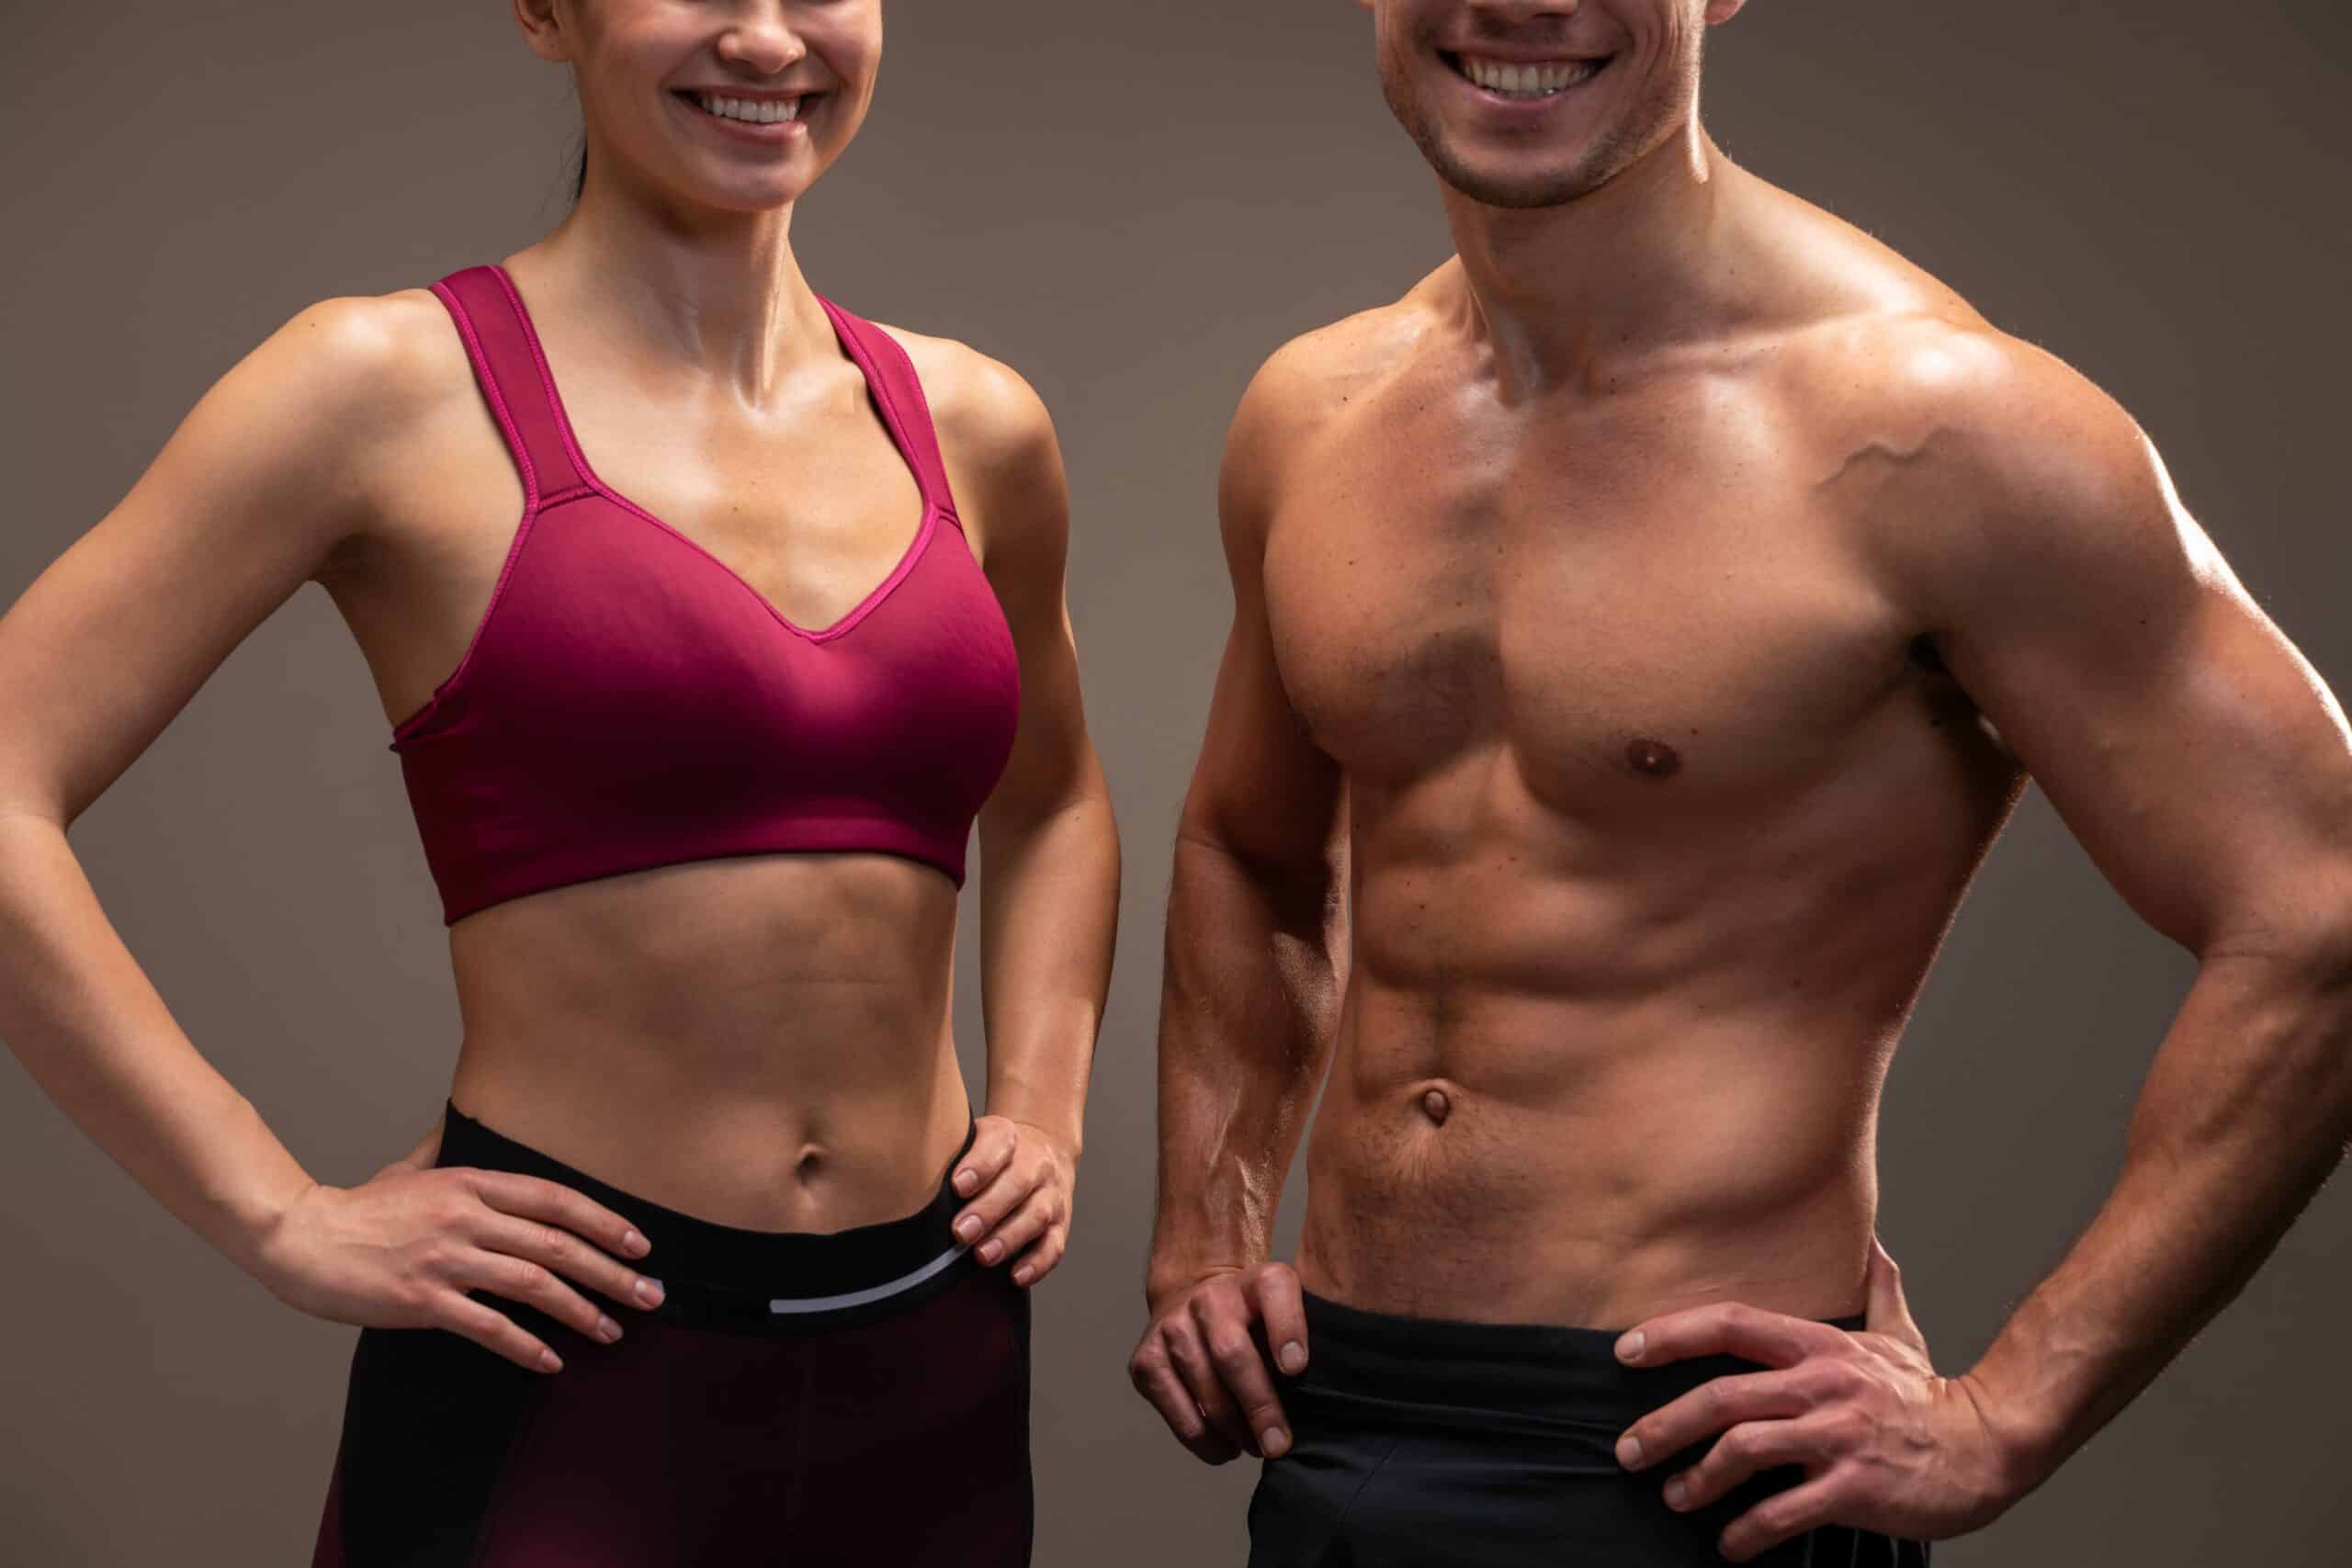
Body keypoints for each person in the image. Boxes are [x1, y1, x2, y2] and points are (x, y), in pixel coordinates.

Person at [1129, 2, 2352, 1564]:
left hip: (1701, 1460)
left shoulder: (1938, 423)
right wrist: (1206, 1223)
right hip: (1343, 1413)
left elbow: (2318, 905)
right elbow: (1250, 848)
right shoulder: (1312, 414)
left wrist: (2010, 1410)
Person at [0, 3, 1117, 1564]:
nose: (766, 33)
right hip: (572, 1377)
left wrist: (1047, 1114)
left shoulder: (978, 424)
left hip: (931, 1370)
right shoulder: (381, 385)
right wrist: (273, 1210)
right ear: (545, 12)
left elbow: (1055, 794)